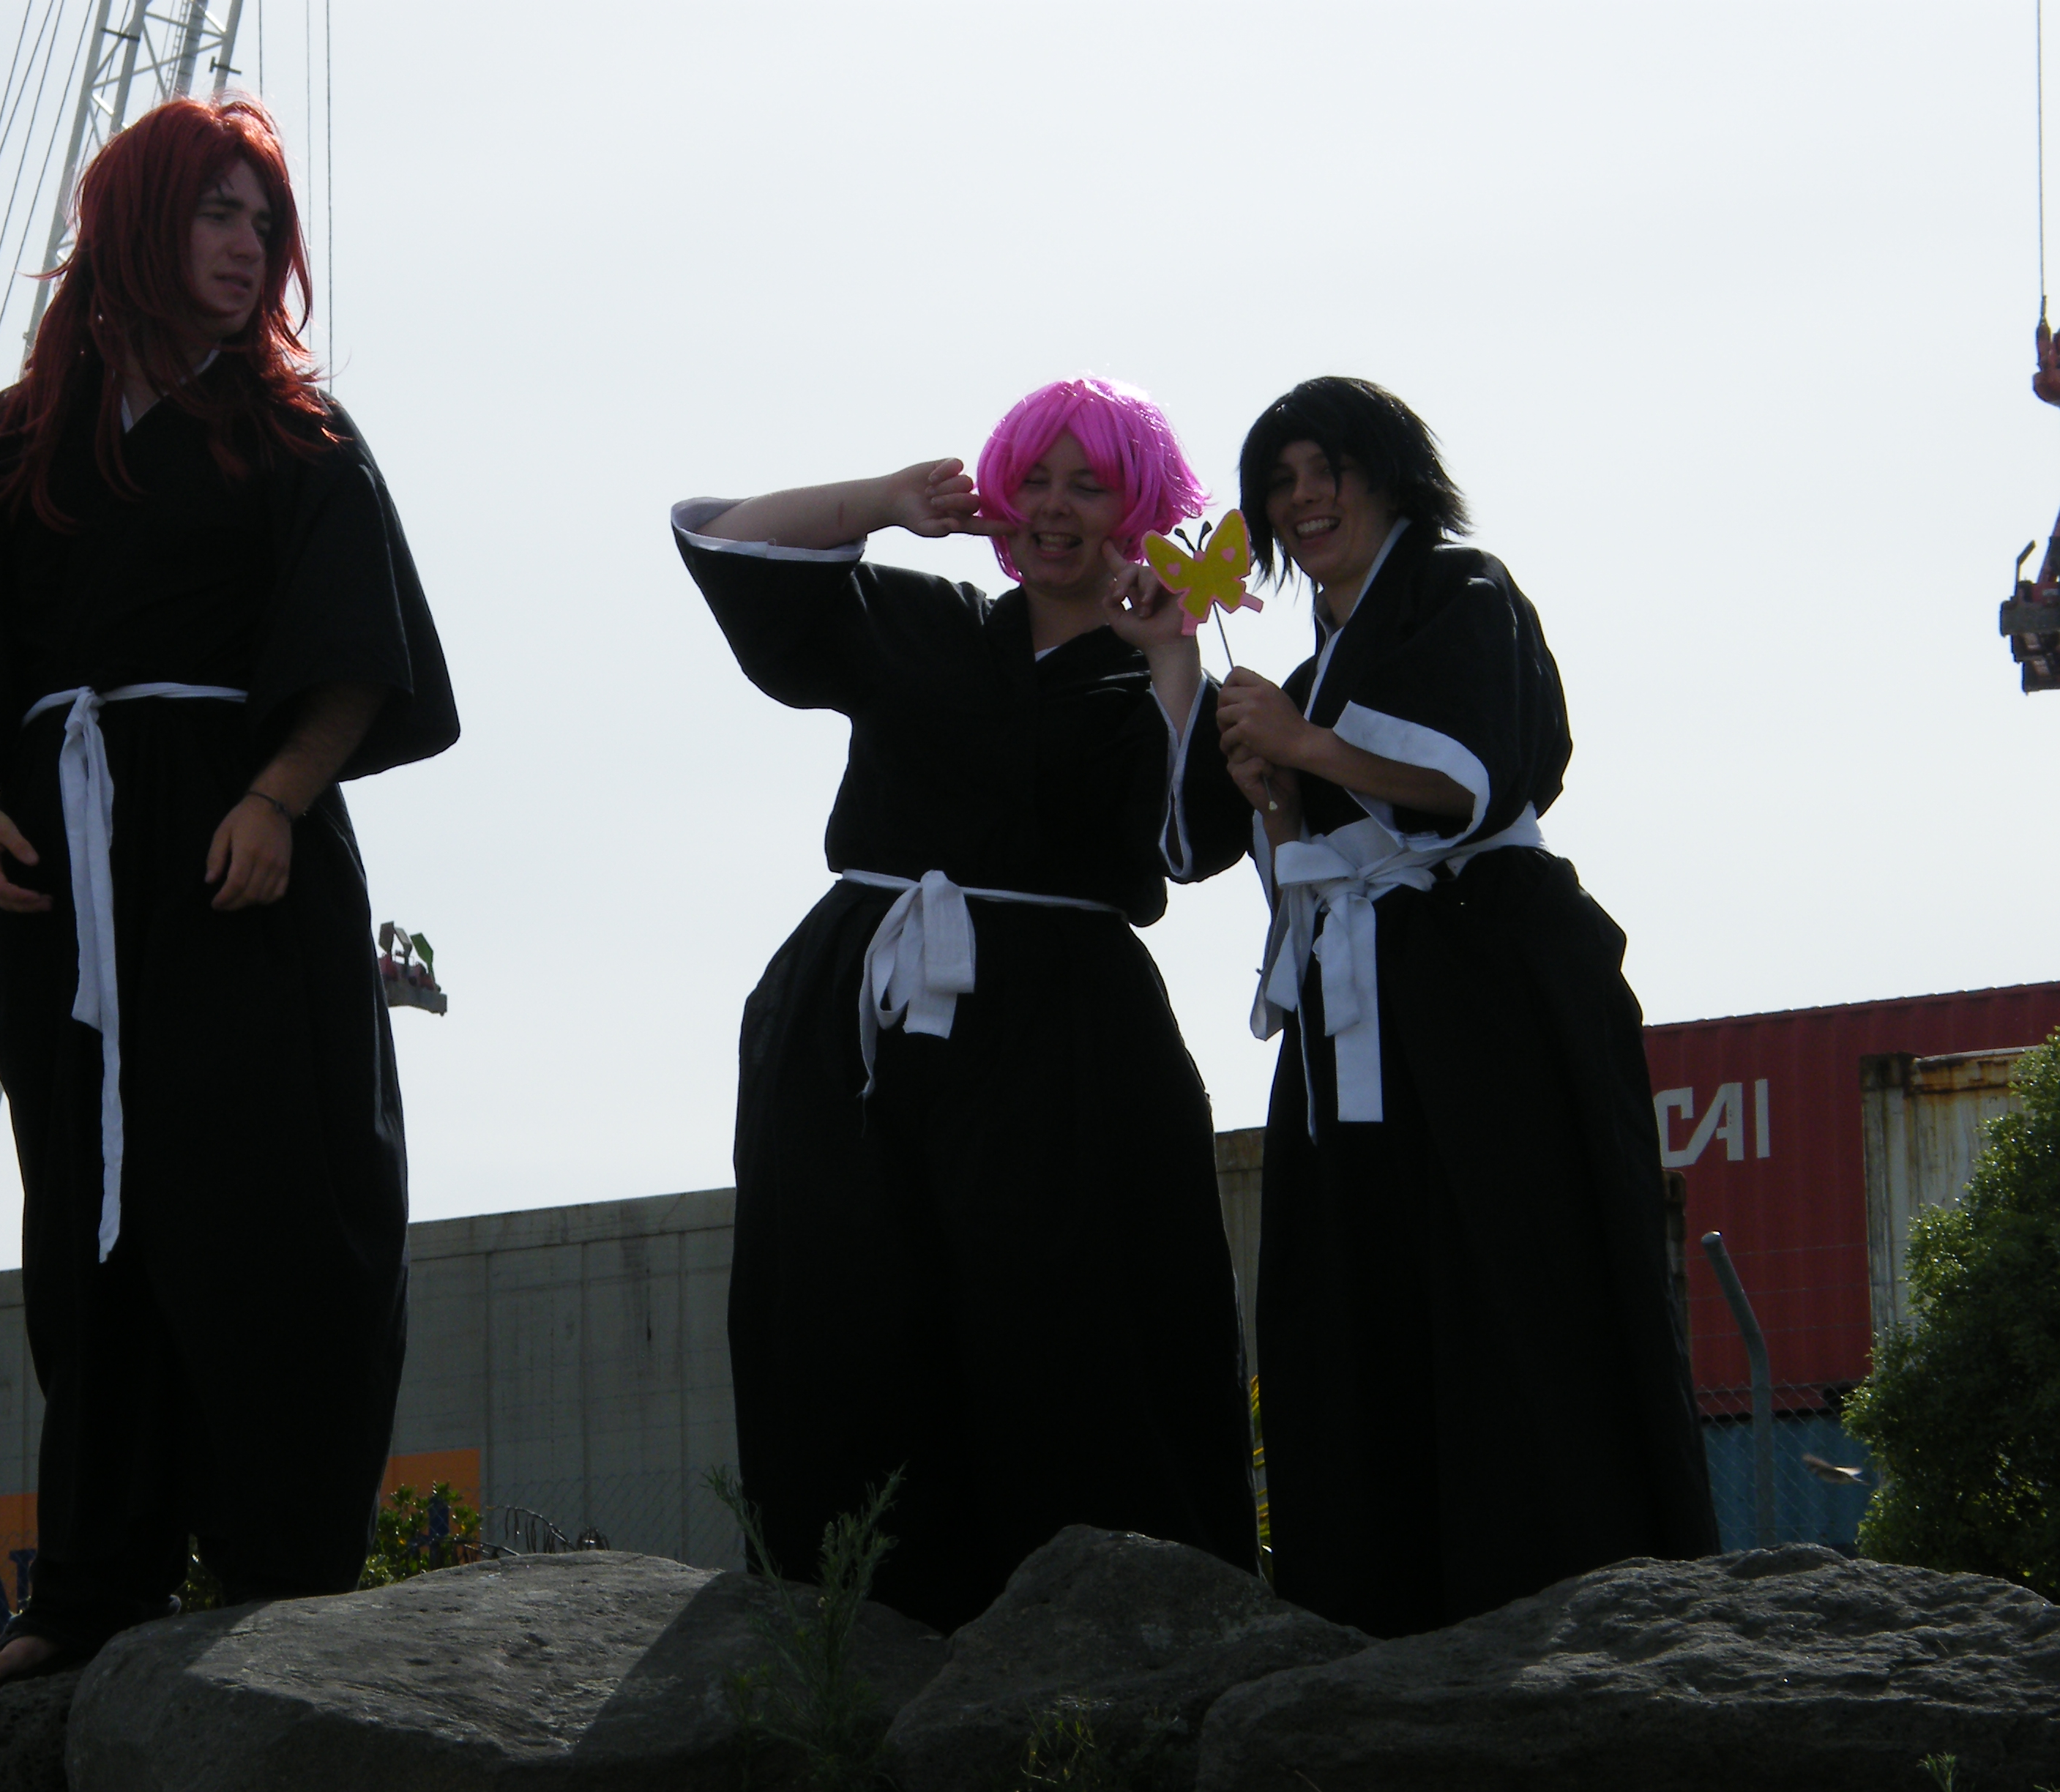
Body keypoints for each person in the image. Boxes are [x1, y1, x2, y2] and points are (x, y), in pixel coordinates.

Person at [0, 93, 455, 1690]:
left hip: (243, 861)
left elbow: (359, 658)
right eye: (219, 212)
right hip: (65, 877)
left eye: (264, 222)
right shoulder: (6, 444)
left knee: (278, 1199)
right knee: (93, 1219)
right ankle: (88, 1590)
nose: (248, 246)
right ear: (142, 225)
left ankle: (286, 1571)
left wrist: (278, 800)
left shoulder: (295, 433)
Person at [673, 378, 1259, 1634]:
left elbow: (1186, 843)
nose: (1055, 508)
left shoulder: (1158, 675)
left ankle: (1104, 1640)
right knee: (847, 1310)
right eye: (1035, 478)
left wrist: (1172, 653)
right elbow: (722, 539)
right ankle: (854, 1631)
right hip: (861, 1019)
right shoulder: (925, 619)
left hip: (1067, 1033)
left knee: (1071, 1321)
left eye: (1090, 485)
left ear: (1139, 510)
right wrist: (883, 501)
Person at [1184, 377, 1717, 1639]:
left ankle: (1568, 1583)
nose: (1305, 498)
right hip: (1355, 1010)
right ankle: (1380, 1608)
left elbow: (1473, 777)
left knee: (1516, 1278)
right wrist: (1270, 783)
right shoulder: (1307, 672)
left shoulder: (1462, 593)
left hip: (1489, 983)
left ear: (1391, 475)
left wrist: (1305, 748)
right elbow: (1272, 854)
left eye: (1330, 468)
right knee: (1357, 1297)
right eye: (1280, 481)